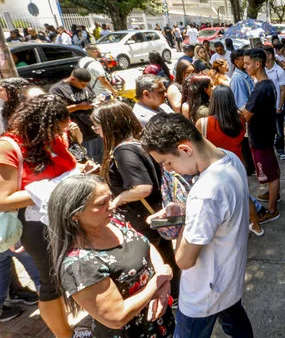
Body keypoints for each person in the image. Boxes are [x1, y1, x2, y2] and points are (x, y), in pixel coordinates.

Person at [141, 113, 254, 337]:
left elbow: (184, 260)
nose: (169, 170)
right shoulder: (229, 158)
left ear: (185, 149)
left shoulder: (205, 193)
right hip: (228, 279)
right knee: (235, 320)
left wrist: (188, 215)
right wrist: (185, 210)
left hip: (203, 292)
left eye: (168, 162)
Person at [0, 95, 90, 338]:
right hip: (37, 227)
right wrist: (53, 188)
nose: (59, 134)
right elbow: (2, 200)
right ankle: (64, 335)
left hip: (67, 218)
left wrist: (78, 173)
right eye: (57, 129)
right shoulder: (9, 146)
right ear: (41, 123)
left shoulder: (50, 140)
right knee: (51, 284)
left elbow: (63, 167)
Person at [47, 175, 175, 337]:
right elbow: (117, 317)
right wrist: (159, 281)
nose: (111, 206)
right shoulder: (79, 264)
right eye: (101, 203)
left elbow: (146, 245)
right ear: (74, 214)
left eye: (110, 198)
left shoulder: (113, 220)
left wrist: (163, 286)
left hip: (160, 323)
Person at [91, 100, 180, 302]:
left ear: (110, 125)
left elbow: (142, 188)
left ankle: (164, 297)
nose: (95, 130)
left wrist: (119, 199)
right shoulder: (138, 144)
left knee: (153, 262)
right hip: (156, 213)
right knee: (166, 257)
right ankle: (175, 294)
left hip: (142, 218)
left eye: (97, 126)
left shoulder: (123, 151)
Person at [195, 86, 263, 236]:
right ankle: (257, 227)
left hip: (214, 169)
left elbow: (198, 148)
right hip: (236, 165)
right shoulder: (240, 119)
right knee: (244, 196)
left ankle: (229, 233)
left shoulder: (203, 123)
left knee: (220, 202)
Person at [243, 48, 281, 224]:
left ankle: (272, 210)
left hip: (260, 137)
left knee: (271, 174)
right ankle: (273, 194)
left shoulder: (260, 89)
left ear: (257, 64)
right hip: (266, 133)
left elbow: (245, 115)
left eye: (247, 64)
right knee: (271, 168)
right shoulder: (267, 84)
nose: (245, 67)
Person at [49, 68, 104, 164]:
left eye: (86, 85)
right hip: (78, 135)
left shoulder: (85, 86)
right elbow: (57, 111)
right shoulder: (57, 90)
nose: (84, 87)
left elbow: (92, 99)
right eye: (82, 84)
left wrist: (97, 102)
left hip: (94, 130)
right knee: (86, 162)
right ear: (73, 79)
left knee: (100, 160)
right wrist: (78, 107)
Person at [263, 47, 285, 160]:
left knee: (279, 131)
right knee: (267, 130)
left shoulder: (279, 71)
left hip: (277, 107)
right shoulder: (262, 70)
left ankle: (280, 149)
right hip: (265, 107)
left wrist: (279, 106)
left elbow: (283, 90)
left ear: (270, 56)